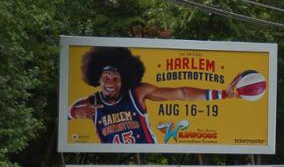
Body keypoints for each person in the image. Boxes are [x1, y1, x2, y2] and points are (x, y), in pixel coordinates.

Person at [67, 46, 240, 144]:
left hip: (145, 152)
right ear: (98, 78)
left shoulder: (137, 93)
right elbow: (63, 114)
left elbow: (182, 93)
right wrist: (72, 113)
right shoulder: (91, 103)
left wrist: (223, 94)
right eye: (106, 78)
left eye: (115, 78)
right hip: (111, 160)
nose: (111, 83)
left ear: (124, 79)